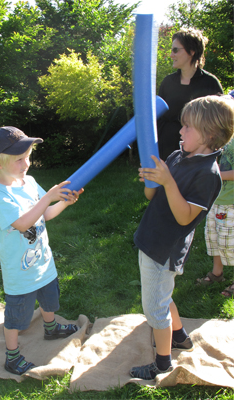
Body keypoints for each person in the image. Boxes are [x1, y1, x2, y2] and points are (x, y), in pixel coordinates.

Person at [130, 95, 234, 380]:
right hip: (151, 237)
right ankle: (179, 336)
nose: (180, 131)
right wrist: (152, 180)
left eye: (187, 127)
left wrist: (168, 182)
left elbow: (185, 216)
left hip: (165, 248)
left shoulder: (208, 174)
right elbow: (152, 196)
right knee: (162, 295)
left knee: (155, 309)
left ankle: (162, 363)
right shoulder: (178, 156)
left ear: (209, 135)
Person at [0, 126, 83, 375]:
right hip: (19, 272)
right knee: (17, 317)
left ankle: (50, 328)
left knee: (49, 299)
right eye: (19, 159)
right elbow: (22, 224)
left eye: (28, 156)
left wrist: (62, 201)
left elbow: (45, 214)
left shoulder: (29, 182)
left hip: (43, 261)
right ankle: (12, 357)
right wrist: (48, 196)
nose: (26, 163)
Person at [157, 28, 223, 161]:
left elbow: (219, 123)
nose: (171, 55)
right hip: (166, 154)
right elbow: (157, 119)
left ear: (191, 52)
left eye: (176, 50)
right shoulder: (167, 82)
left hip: (197, 157)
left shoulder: (210, 84)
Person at [197, 91, 234, 297]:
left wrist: (216, 173)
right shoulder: (220, 139)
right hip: (216, 200)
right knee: (214, 238)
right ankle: (217, 273)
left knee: (232, 241)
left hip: (232, 203)